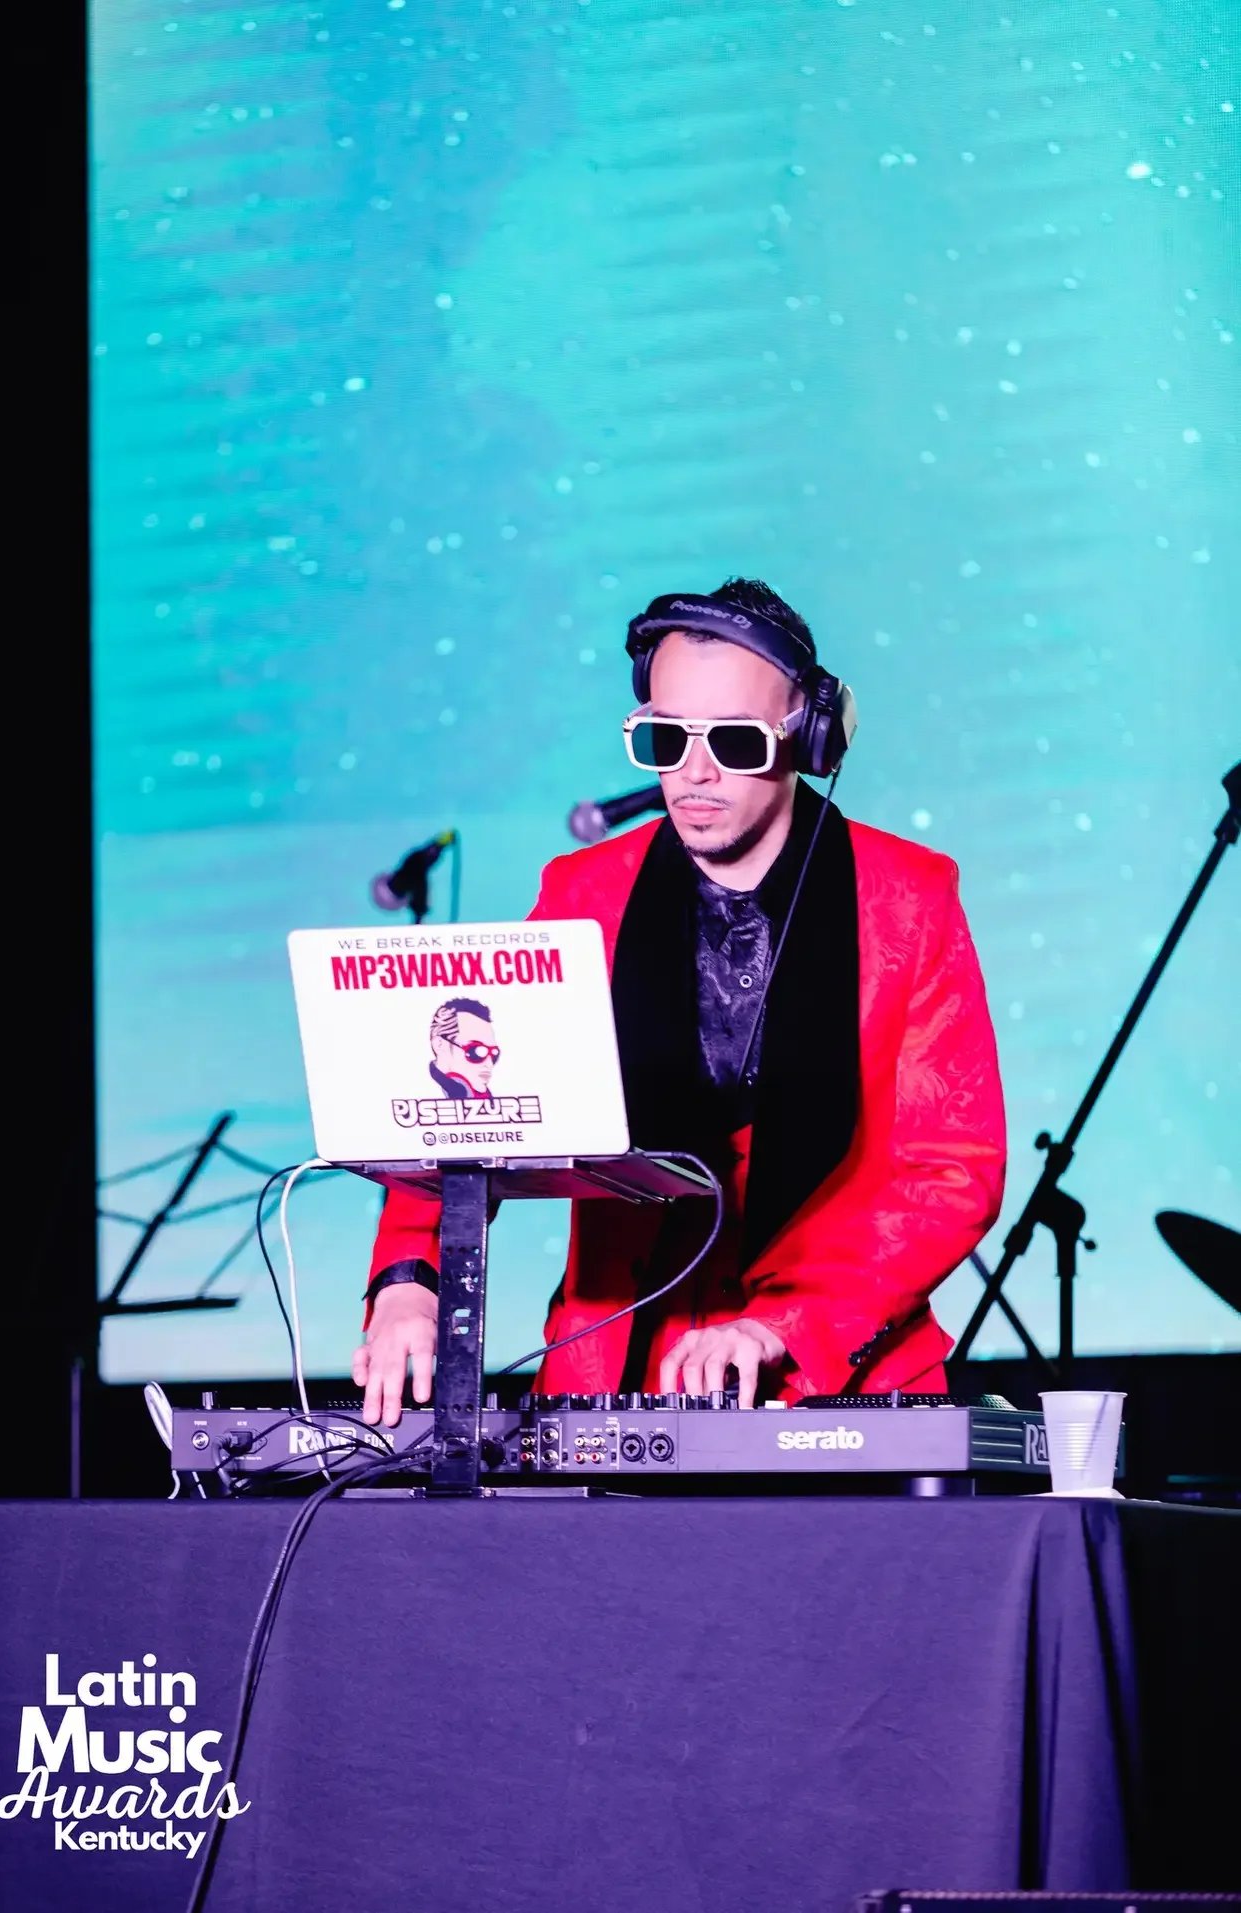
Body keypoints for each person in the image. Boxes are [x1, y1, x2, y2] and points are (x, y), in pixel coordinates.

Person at [354, 578, 1006, 1425]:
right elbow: (463, 1122)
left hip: (842, 1382)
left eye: (732, 742)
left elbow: (948, 1168)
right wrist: (408, 1283)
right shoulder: (578, 896)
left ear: (807, 735)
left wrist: (787, 1325)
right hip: (610, 1379)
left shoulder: (911, 896)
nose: (694, 773)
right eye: (666, 738)